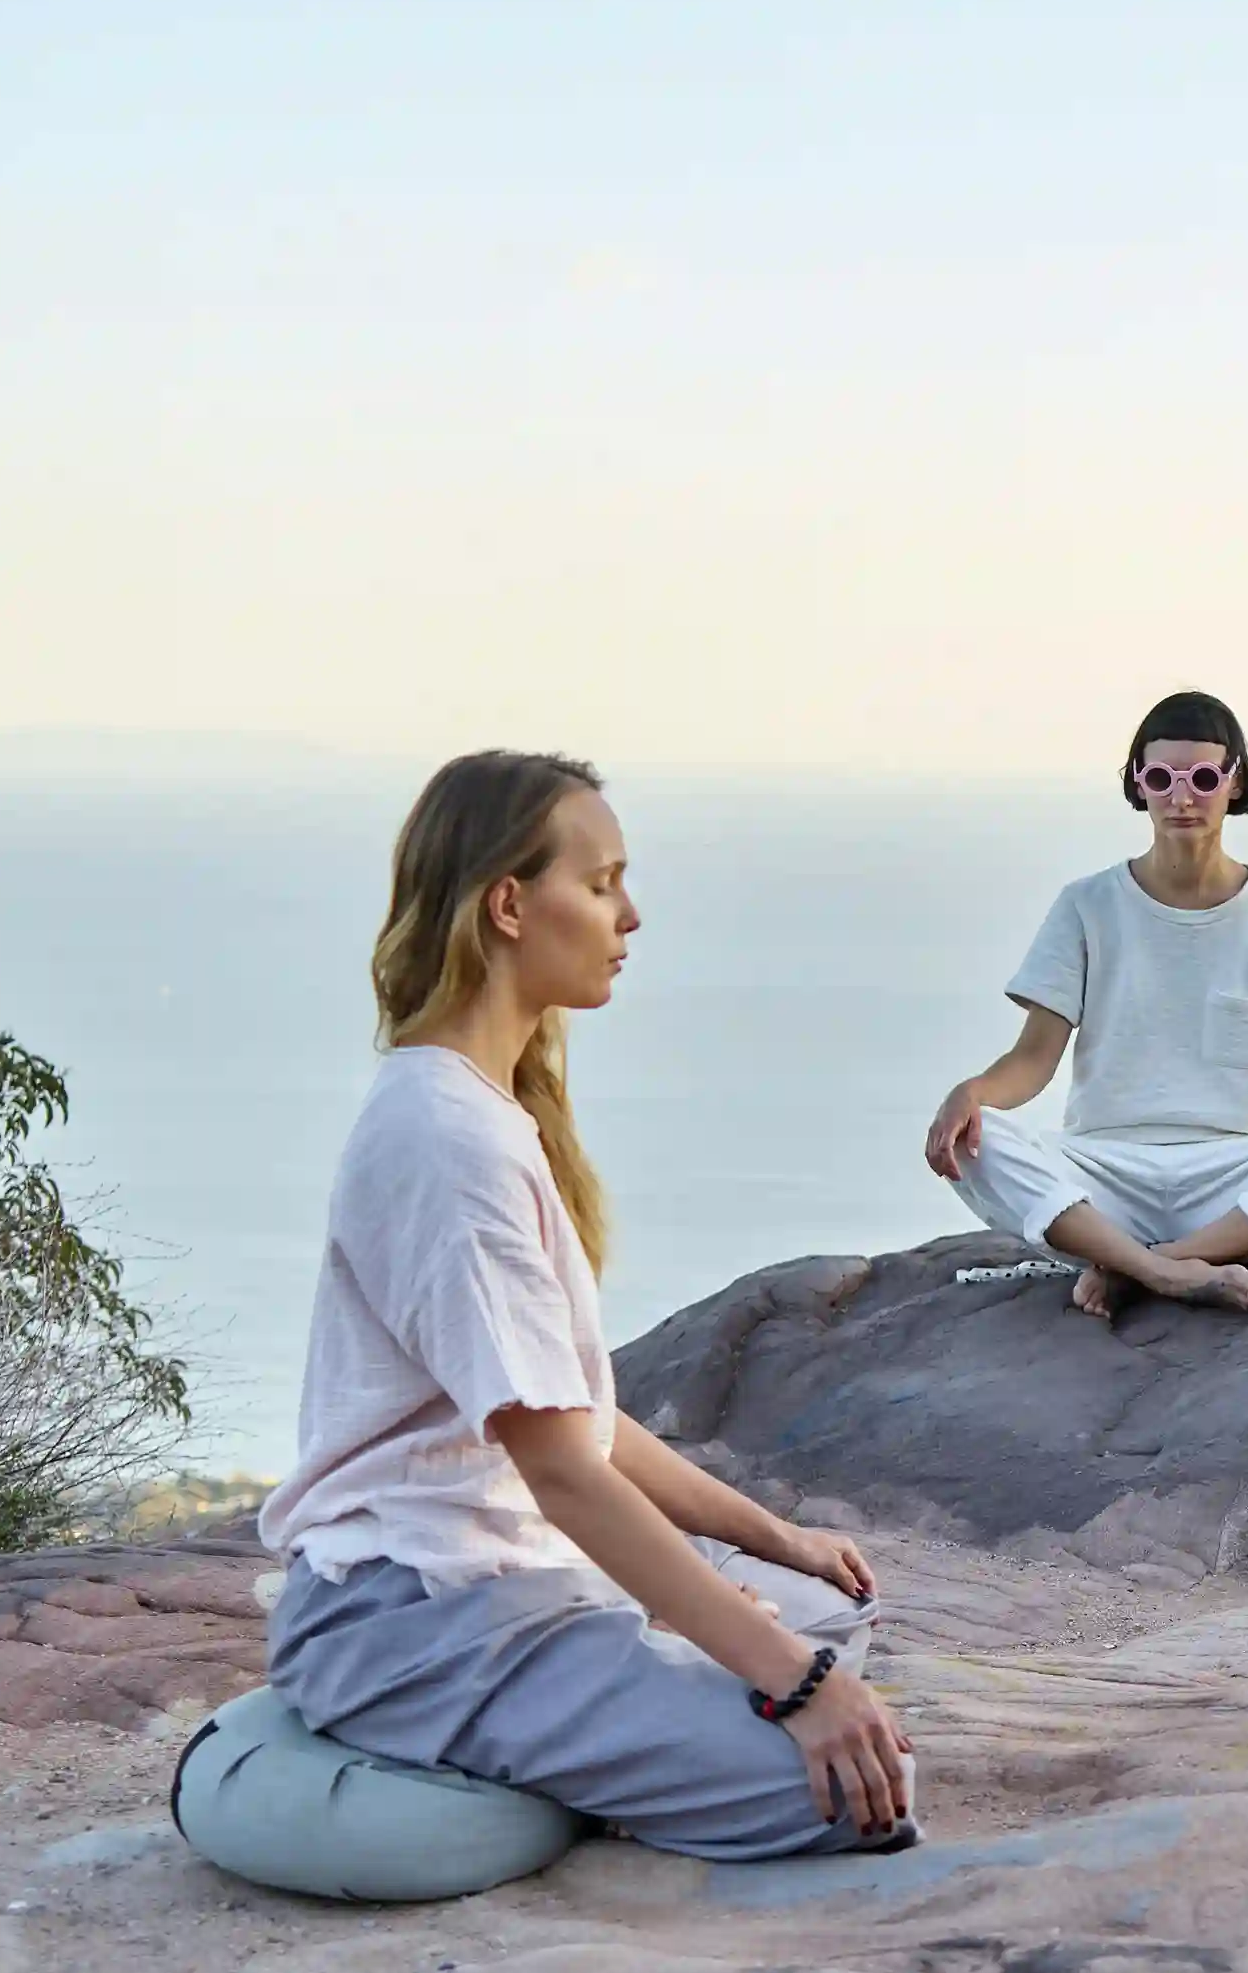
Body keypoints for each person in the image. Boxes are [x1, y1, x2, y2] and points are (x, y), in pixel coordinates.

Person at [260, 751, 917, 1860]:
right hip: (418, 1619)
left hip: (509, 1584)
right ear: (511, 905)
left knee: (827, 1611)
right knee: (860, 1793)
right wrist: (797, 1689)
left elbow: (580, 1420)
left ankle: (619, 1731)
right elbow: (563, 1472)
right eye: (604, 882)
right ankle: (595, 1751)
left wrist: (776, 1537)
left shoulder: (486, 1111)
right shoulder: (446, 1142)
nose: (631, 914)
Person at [925, 692, 1248, 1317]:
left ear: (1235, 784)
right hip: (1103, 1168)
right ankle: (1167, 1272)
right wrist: (972, 1094)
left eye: (1203, 778)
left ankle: (1143, 1265)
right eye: (1161, 778)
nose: (1182, 797)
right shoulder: (1086, 905)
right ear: (1137, 784)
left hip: (1227, 1171)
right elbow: (1034, 1058)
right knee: (976, 1142)